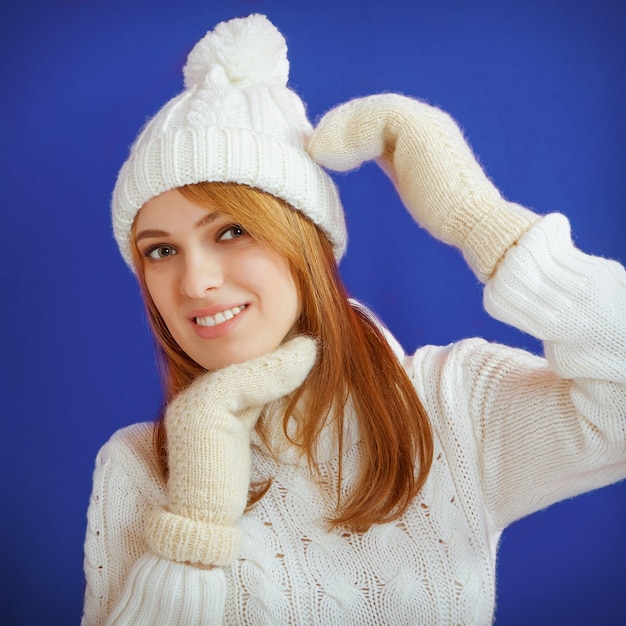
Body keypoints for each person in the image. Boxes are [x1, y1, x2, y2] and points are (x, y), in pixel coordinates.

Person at [82, 13, 626, 625]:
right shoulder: (137, 466)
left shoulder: (453, 405)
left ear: (306, 244)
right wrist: (197, 527)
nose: (195, 282)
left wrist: (482, 223)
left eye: (232, 230)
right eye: (160, 250)